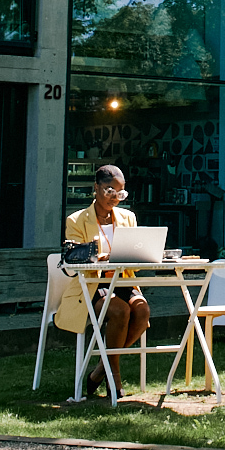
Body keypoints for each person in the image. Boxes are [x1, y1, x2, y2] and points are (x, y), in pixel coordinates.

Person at [54, 164, 151, 398]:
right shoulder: (76, 220)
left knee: (142, 310)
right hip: (93, 284)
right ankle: (113, 375)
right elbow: (74, 260)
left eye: (120, 193)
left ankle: (101, 368)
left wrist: (140, 254)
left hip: (123, 280)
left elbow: (135, 263)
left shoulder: (128, 217)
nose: (115, 198)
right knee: (119, 311)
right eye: (109, 191)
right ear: (96, 188)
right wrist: (99, 258)